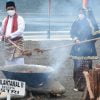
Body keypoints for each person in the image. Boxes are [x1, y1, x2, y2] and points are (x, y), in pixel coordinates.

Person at [70, 8, 100, 92]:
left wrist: (89, 39)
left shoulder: (90, 22)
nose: (80, 15)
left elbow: (97, 34)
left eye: (82, 13)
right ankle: (77, 85)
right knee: (77, 67)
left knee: (87, 67)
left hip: (88, 49)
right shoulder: (76, 22)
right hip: (77, 48)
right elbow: (72, 32)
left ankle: (87, 86)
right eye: (79, 13)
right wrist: (76, 39)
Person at [0, 1, 25, 65]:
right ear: (6, 10)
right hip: (8, 44)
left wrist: (10, 35)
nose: (10, 10)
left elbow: (20, 30)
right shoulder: (5, 20)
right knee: (8, 63)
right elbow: (1, 32)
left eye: (12, 8)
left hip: (18, 43)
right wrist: (2, 37)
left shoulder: (20, 18)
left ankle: (20, 74)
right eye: (8, 9)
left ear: (15, 8)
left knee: (19, 61)